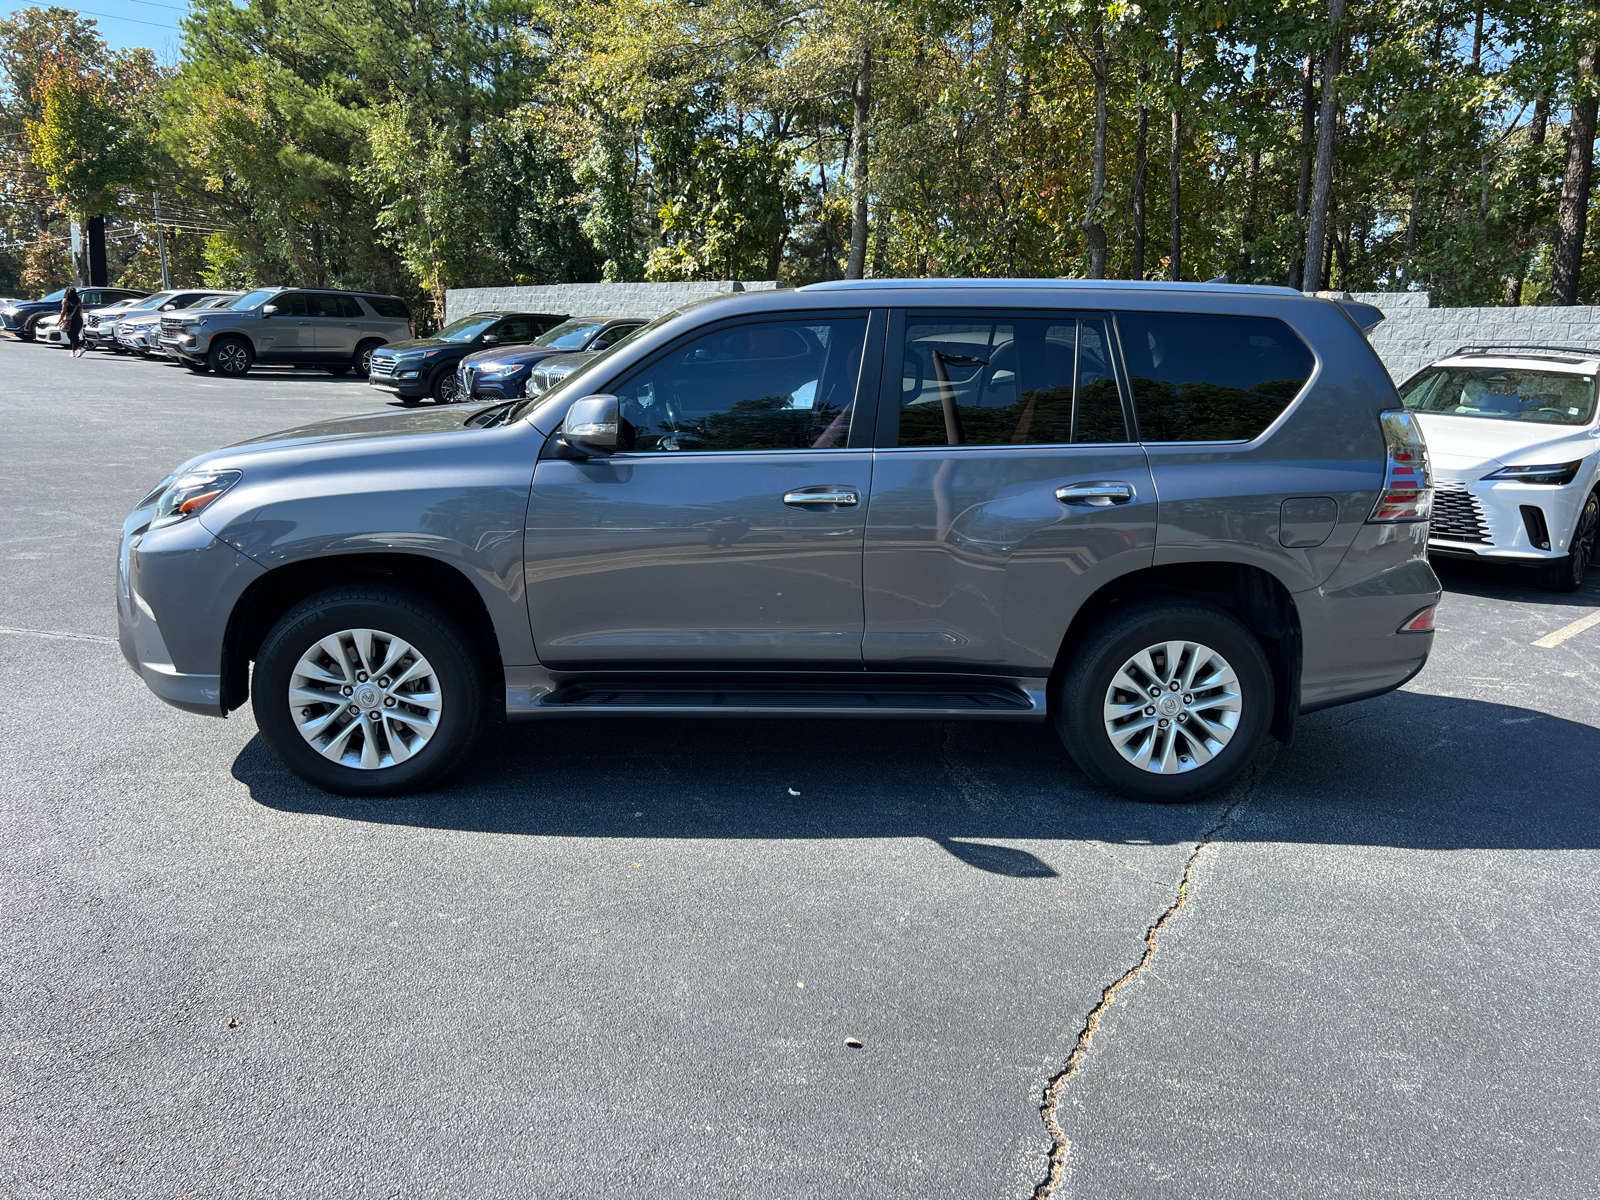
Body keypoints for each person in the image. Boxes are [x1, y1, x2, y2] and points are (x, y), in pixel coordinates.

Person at [60, 286, 84, 357]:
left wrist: (60, 320)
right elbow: (80, 310)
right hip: (78, 319)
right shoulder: (78, 300)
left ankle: (79, 348)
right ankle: (75, 350)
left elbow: (63, 311)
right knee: (75, 335)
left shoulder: (65, 300)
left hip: (69, 320)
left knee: (70, 335)